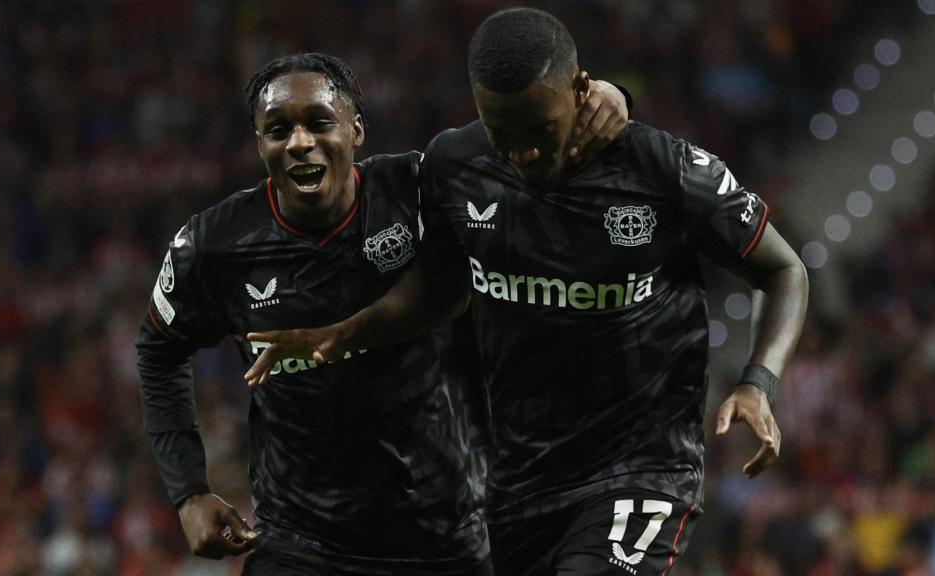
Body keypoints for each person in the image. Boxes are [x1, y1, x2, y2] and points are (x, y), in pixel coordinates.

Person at [244, 8, 809, 576]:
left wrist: (758, 383)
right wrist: (341, 335)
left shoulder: (662, 170)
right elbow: (441, 291)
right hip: (517, 481)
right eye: (502, 132)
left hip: (642, 466)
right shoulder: (454, 166)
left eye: (540, 129)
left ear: (581, 90)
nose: (523, 153)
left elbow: (783, 270)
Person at [136, 52, 630, 575]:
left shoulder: (423, 191)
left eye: (318, 122)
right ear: (260, 143)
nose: (299, 141)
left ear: (357, 129)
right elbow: (158, 348)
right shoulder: (214, 246)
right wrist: (189, 491)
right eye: (277, 129)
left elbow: (530, 145)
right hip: (304, 544)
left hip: (449, 536)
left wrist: (607, 96)